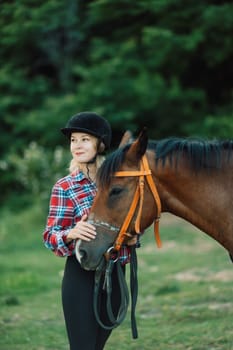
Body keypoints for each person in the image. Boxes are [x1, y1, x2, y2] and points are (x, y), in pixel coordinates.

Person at [43, 112, 136, 350]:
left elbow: (129, 223)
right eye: (73, 140)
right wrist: (71, 233)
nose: (77, 145)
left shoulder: (115, 185)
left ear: (100, 144)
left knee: (97, 346)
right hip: (81, 274)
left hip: (116, 273)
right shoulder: (64, 186)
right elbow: (50, 235)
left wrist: (133, 236)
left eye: (84, 139)